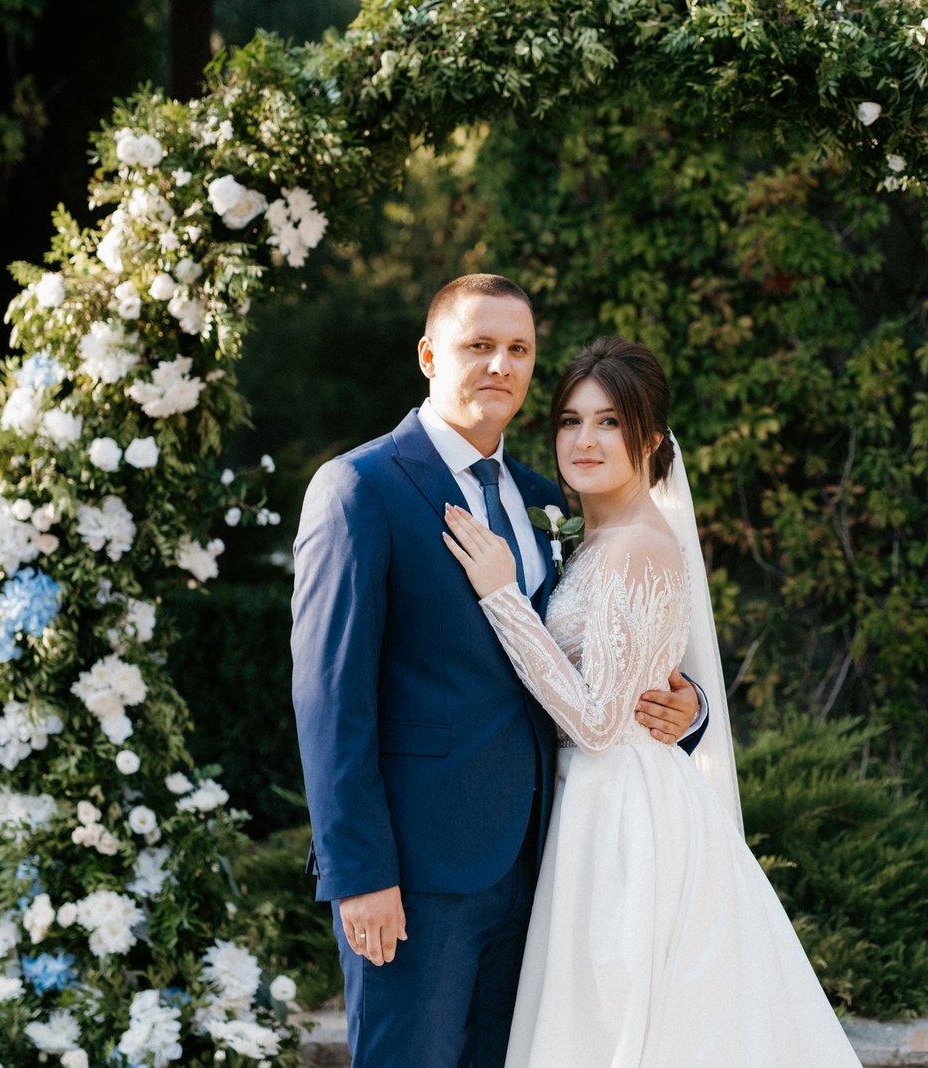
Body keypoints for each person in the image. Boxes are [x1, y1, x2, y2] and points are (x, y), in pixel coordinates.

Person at [289, 275, 707, 1067]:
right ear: (429, 355)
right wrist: (359, 873)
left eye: (518, 349)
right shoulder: (360, 489)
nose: (500, 365)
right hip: (418, 878)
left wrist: (686, 711)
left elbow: (608, 647)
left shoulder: (550, 500)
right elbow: (329, 697)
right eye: (478, 345)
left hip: (550, 862)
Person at [442, 336, 861, 1066]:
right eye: (571, 420)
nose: (585, 438)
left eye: (609, 422)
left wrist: (502, 596)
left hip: (623, 820)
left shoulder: (639, 544)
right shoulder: (584, 534)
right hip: (589, 805)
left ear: (652, 440)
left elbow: (601, 722)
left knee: (620, 1019)